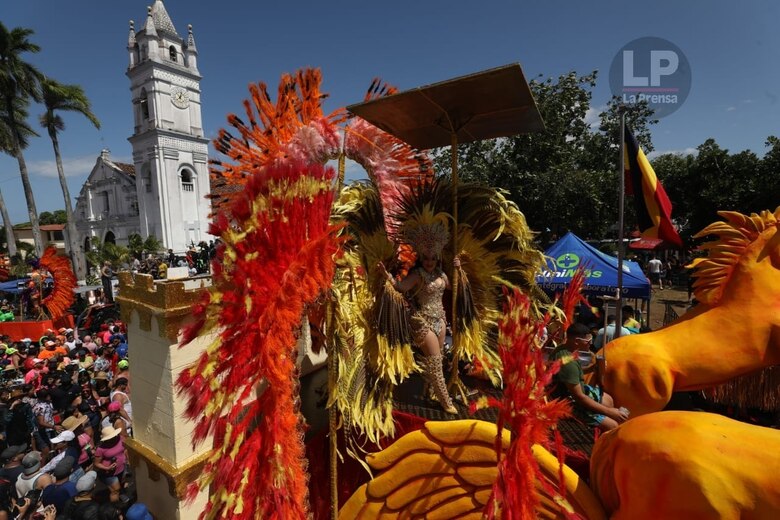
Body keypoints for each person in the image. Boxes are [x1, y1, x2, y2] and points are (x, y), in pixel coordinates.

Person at [378, 220, 459, 415]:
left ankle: (430, 391)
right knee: (435, 361)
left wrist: (458, 268)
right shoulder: (418, 275)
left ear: (437, 258)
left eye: (432, 258)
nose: (429, 262)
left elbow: (454, 288)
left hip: (440, 321)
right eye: (426, 258)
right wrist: (386, 275)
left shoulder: (442, 275)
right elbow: (400, 287)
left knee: (437, 359)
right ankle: (446, 402)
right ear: (421, 259)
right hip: (422, 322)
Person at [550, 323, 628, 432]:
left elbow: (572, 374)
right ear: (577, 341)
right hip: (568, 402)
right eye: (587, 341)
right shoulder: (569, 363)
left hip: (573, 391)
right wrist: (609, 412)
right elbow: (579, 397)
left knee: (608, 399)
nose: (590, 343)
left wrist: (591, 369)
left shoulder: (564, 349)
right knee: (613, 426)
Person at [94, 426, 126, 503]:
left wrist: (127, 459)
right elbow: (96, 463)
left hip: (122, 467)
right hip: (109, 473)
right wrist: (107, 468)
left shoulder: (120, 438)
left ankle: (120, 495)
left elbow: (124, 449)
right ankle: (115, 509)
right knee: (115, 490)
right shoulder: (100, 449)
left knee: (121, 483)